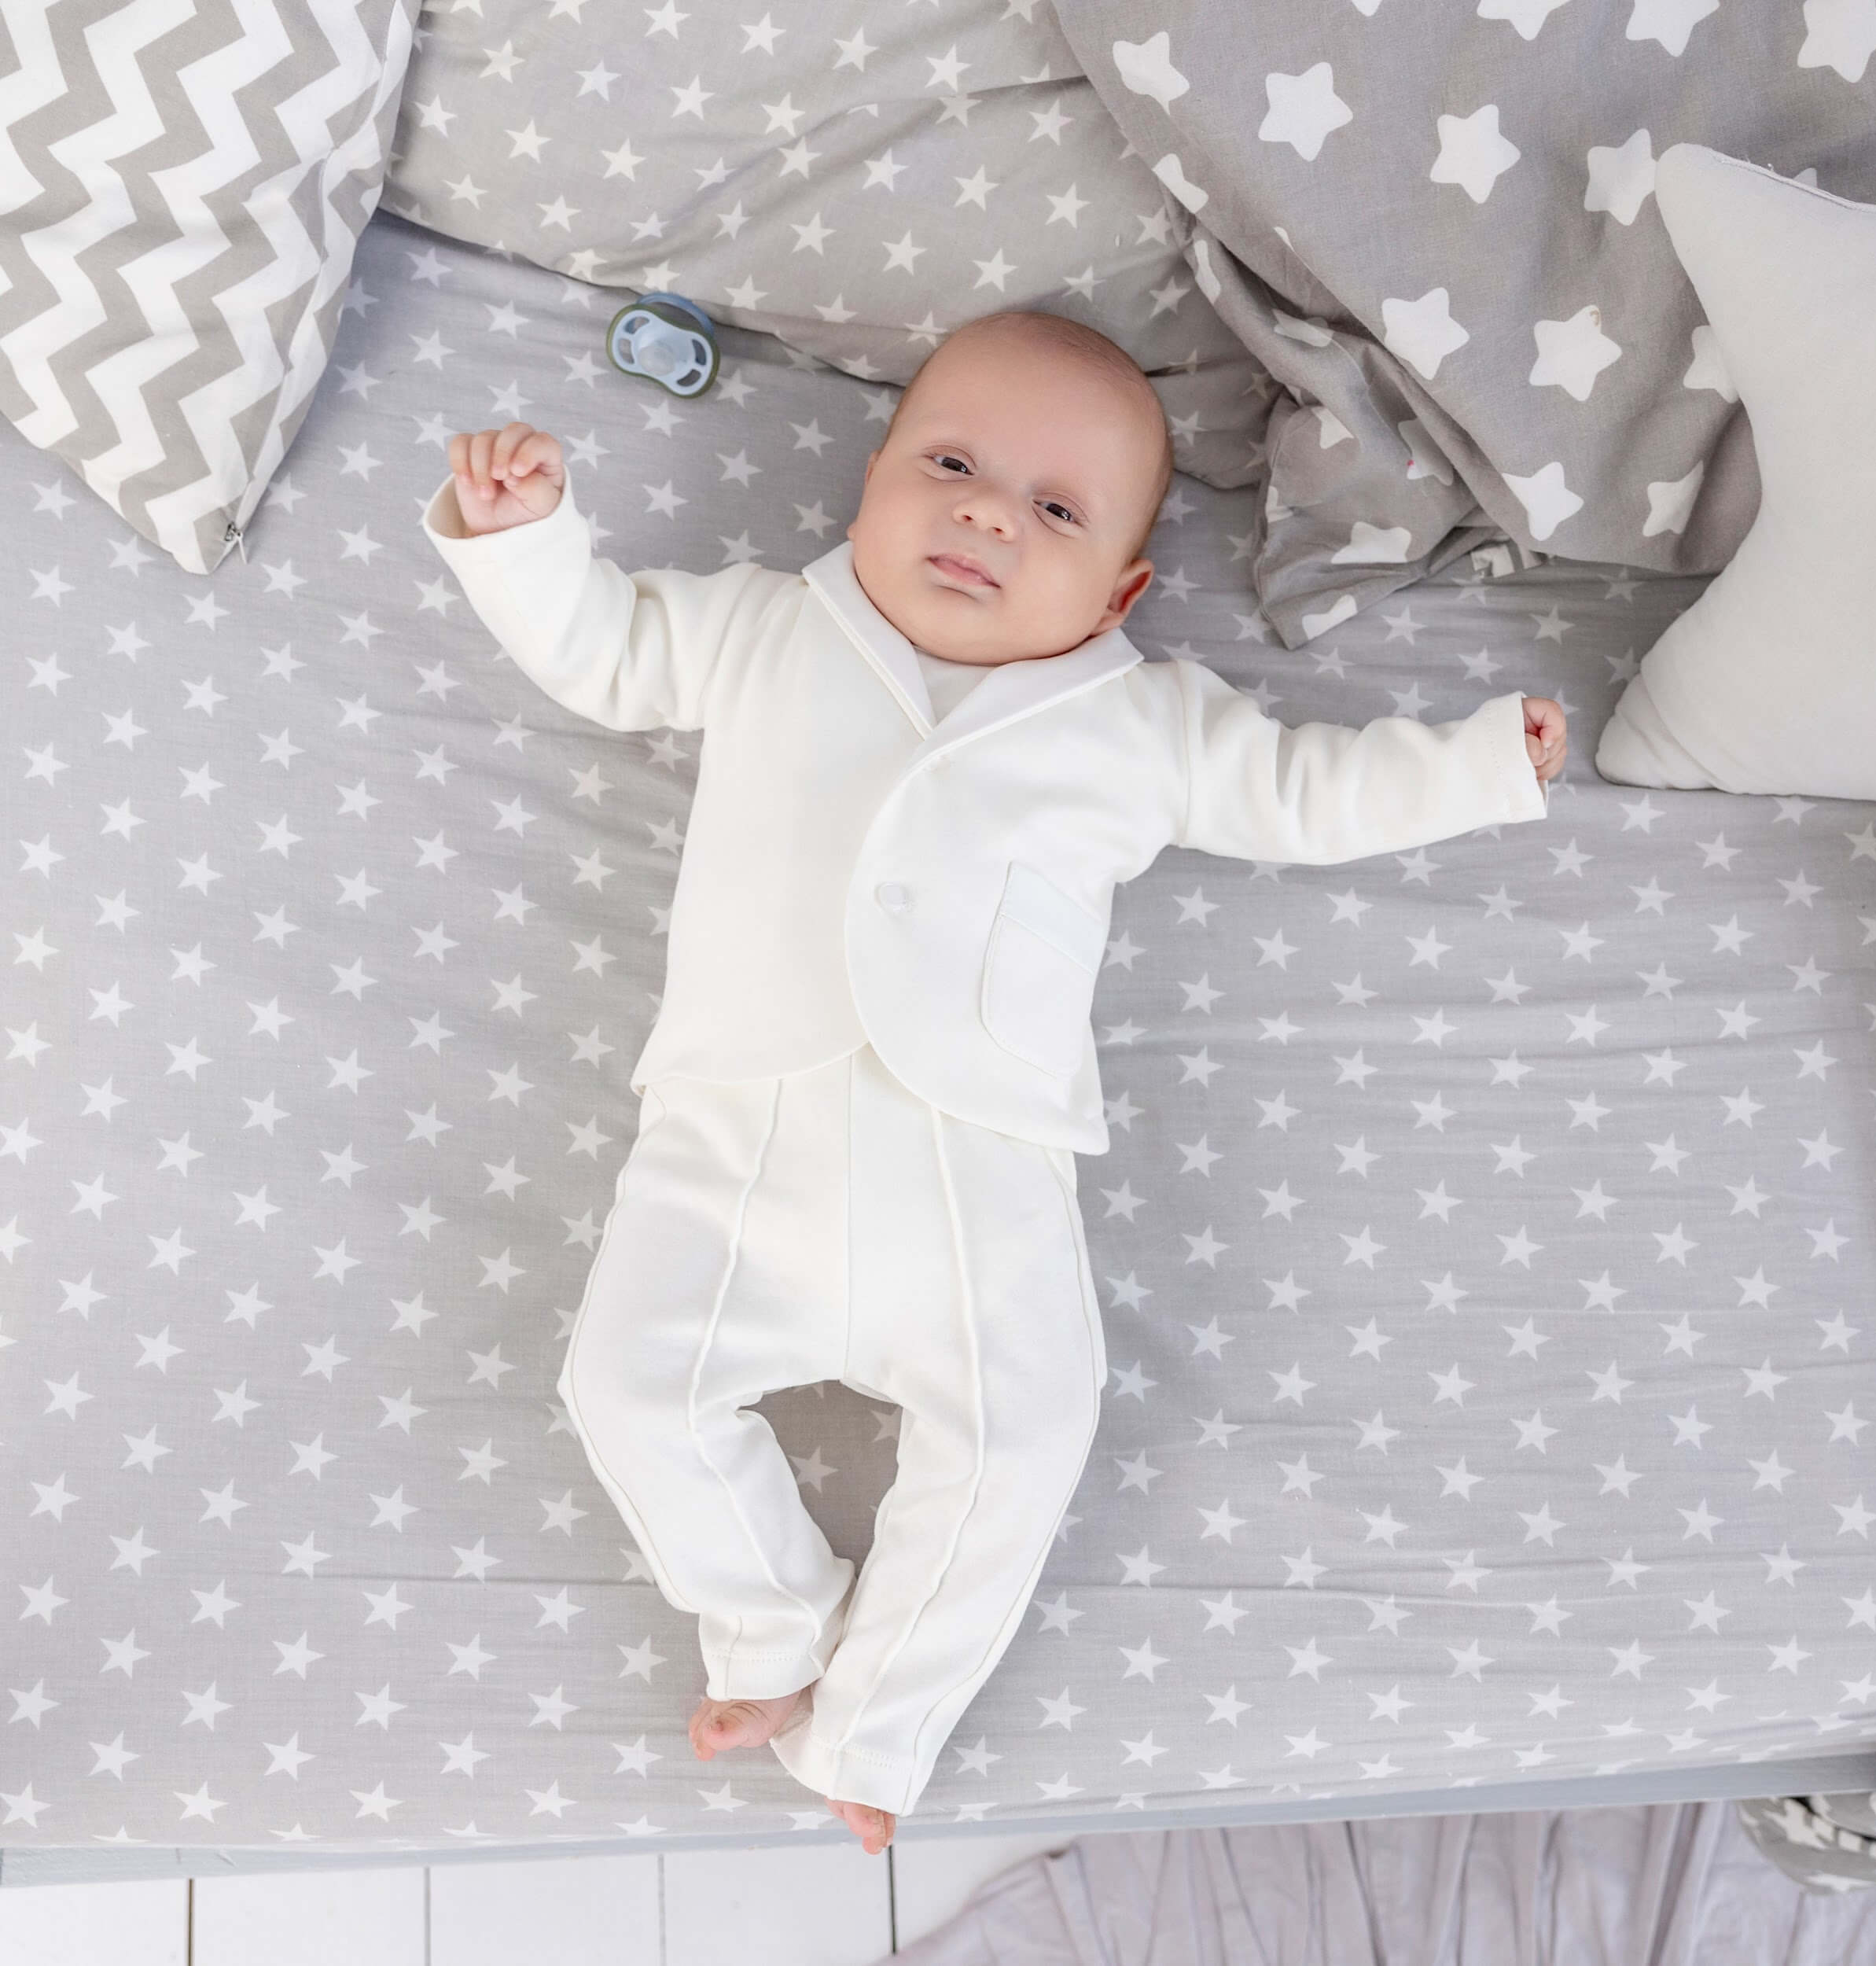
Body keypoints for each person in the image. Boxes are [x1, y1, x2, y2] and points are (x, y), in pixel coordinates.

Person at [421, 309, 1567, 1858]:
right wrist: (523, 536)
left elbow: (1297, 791)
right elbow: (606, 648)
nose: (980, 514)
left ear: (1122, 589)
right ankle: (769, 1619)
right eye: (949, 465)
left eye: (1051, 510)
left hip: (976, 1165)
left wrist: (1478, 762)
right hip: (731, 1136)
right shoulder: (770, 627)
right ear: (868, 484)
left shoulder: (1138, 722)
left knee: (1023, 1435)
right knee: (621, 1382)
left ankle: (875, 1717)